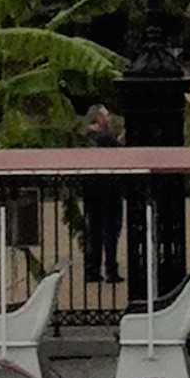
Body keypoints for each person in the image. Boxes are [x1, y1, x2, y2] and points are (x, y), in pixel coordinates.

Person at [81, 102, 124, 284]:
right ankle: (111, 271)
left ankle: (92, 270)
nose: (109, 118)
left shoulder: (85, 138)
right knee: (110, 232)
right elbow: (119, 153)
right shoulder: (106, 138)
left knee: (93, 231)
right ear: (98, 118)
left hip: (90, 192)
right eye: (106, 115)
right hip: (109, 192)